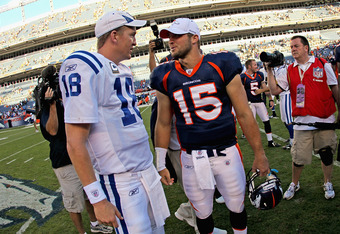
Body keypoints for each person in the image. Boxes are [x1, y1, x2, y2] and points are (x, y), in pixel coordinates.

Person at [150, 18, 270, 234]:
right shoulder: (164, 74)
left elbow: (244, 113)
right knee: (202, 212)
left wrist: (260, 154)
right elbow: (163, 121)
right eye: (169, 36)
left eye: (177, 36)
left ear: (194, 38)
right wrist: (160, 162)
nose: (170, 41)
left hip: (226, 152)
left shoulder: (221, 64)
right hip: (191, 158)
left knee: (236, 206)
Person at [59, 10, 169, 233]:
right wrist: (98, 199)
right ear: (114, 35)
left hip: (145, 171)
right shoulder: (85, 65)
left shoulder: (121, 69)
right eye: (131, 34)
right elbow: (75, 142)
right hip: (121, 180)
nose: (135, 41)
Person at [267, 35, 339, 200]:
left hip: (324, 120)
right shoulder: (288, 69)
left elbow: (334, 87)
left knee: (326, 153)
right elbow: (274, 91)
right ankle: (294, 183)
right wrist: (269, 71)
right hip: (301, 122)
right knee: (298, 158)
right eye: (291, 47)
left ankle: (327, 182)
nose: (293, 49)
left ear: (306, 47)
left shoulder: (322, 64)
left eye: (296, 46)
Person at [39, 87, 112, 234]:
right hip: (64, 162)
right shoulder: (47, 109)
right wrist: (52, 106)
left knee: (90, 194)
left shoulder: (68, 104)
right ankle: (81, 232)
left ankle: (95, 223)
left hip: (81, 156)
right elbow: (52, 130)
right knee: (73, 202)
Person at [240, 59, 281, 147]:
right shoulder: (243, 77)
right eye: (254, 65)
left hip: (259, 101)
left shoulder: (259, 74)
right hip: (250, 103)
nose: (256, 66)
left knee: (266, 121)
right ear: (249, 66)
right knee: (251, 124)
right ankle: (255, 144)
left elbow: (266, 88)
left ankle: (270, 141)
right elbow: (241, 92)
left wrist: (270, 99)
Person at [274, 63, 294, 150]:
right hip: (282, 95)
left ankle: (293, 141)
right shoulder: (277, 69)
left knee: (289, 119)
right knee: (284, 119)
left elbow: (279, 85)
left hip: (286, 94)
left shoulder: (284, 69)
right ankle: (292, 137)